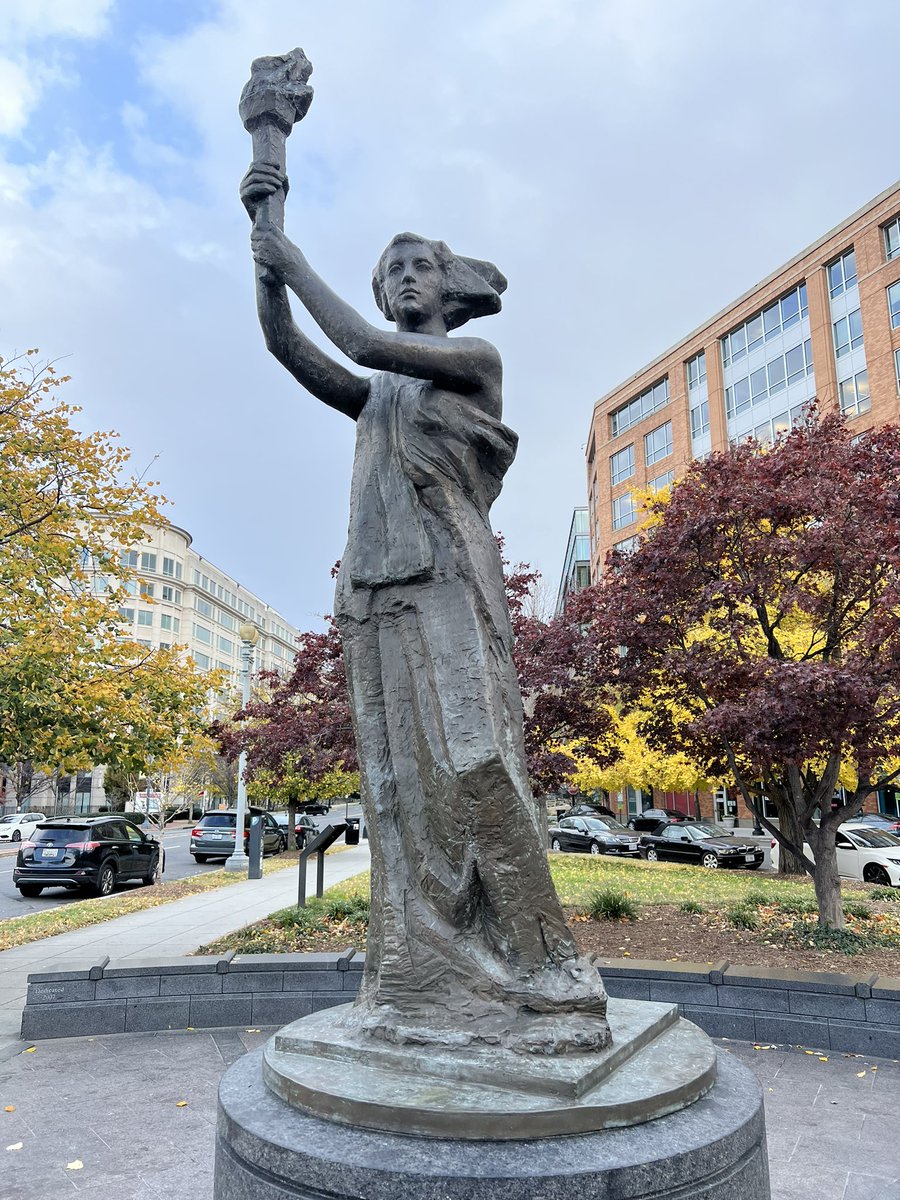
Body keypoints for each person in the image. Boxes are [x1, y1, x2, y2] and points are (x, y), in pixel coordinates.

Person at [241, 164, 609, 1053]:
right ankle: (419, 980)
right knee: (400, 788)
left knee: (477, 763)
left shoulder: (471, 363)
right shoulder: (377, 398)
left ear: (447, 285)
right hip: (374, 593)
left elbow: (364, 343)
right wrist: (263, 242)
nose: (402, 279)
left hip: (448, 580)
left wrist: (288, 253)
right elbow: (287, 346)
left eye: (416, 266)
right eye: (388, 272)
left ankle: (548, 969)